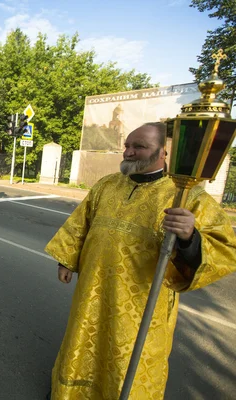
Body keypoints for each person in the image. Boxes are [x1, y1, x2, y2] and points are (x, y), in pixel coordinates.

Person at [44, 122, 236, 400]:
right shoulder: (107, 184)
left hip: (142, 304)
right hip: (92, 291)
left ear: (163, 152)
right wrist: (67, 261)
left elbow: (224, 249)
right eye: (127, 145)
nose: (129, 152)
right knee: (84, 343)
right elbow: (80, 224)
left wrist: (189, 237)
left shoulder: (188, 196)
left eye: (139, 146)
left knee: (129, 356)